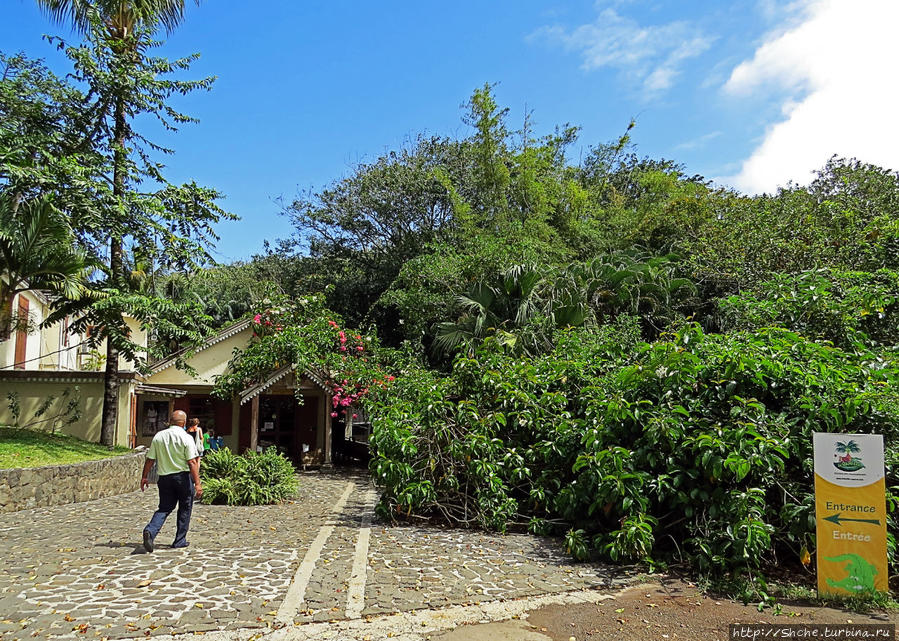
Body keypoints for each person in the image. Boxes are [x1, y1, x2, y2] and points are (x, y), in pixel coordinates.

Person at [140, 410, 202, 552]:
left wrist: (144, 476)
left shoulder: (159, 436)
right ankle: (179, 540)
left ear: (170, 421)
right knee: (185, 507)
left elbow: (150, 459)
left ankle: (150, 530)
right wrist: (197, 483)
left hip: (165, 478)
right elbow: (192, 461)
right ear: (184, 423)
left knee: (165, 507)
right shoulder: (186, 438)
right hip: (182, 477)